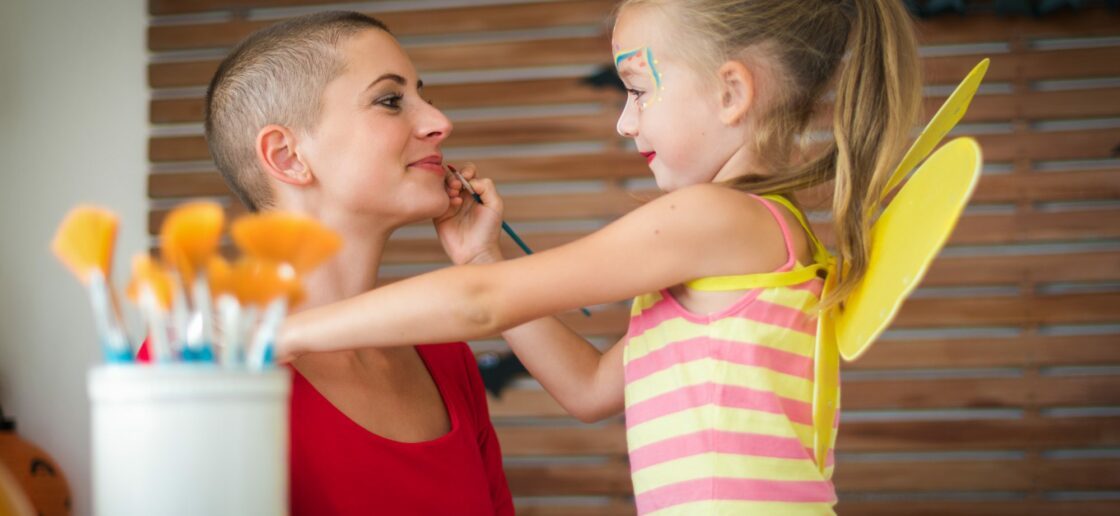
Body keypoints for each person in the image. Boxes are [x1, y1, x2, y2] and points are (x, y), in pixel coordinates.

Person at [279, 0, 922, 514]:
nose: (624, 122)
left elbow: (480, 307)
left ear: (731, 92)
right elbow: (588, 391)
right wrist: (481, 257)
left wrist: (286, 332)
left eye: (638, 90)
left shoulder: (717, 218)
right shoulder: (754, 239)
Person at [203, 11, 513, 515]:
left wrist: (483, 259)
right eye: (391, 100)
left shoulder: (448, 359)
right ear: (286, 156)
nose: (440, 123)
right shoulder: (198, 360)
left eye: (424, 96)